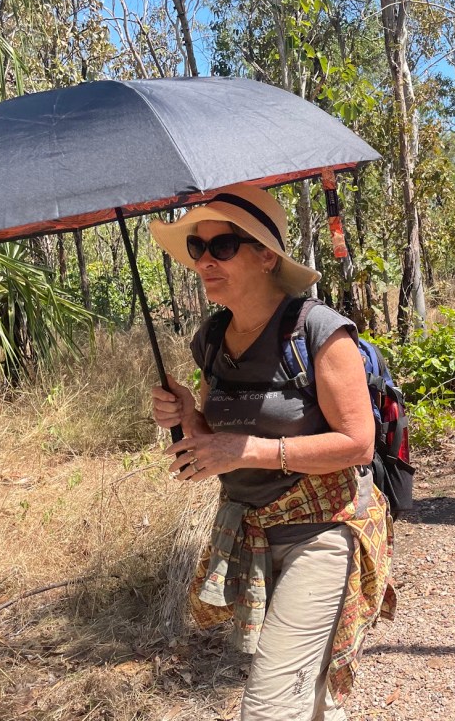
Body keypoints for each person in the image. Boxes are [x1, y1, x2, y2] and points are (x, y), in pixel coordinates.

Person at [147, 184, 395, 721]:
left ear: (266, 255)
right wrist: (189, 417)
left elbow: (357, 443)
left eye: (223, 246)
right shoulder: (211, 338)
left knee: (268, 706)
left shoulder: (319, 331)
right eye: (197, 248)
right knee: (310, 694)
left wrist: (248, 449)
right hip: (252, 532)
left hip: (324, 530)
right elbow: (221, 436)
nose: (205, 260)